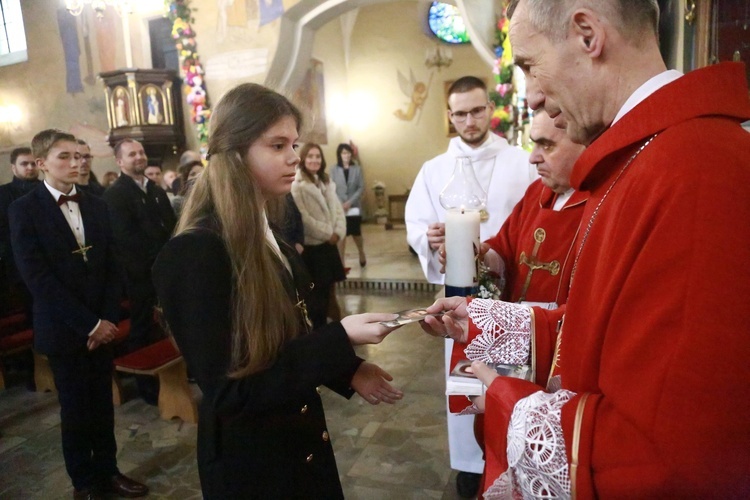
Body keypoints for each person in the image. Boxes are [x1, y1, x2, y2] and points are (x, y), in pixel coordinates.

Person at [422, 0, 750, 497]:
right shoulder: (646, 157)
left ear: (587, 35)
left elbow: (672, 457)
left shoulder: (697, 171)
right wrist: (488, 324)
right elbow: (605, 331)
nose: (533, 95)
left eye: (530, 65)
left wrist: (509, 401)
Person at [152, 82, 403, 499]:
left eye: (295, 144)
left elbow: (291, 338)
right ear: (235, 153)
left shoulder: (273, 237)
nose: (294, 158)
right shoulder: (195, 254)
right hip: (253, 464)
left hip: (297, 441)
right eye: (278, 145)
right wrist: (339, 337)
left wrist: (347, 368)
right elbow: (231, 392)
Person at [404, 75, 535, 496]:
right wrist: (432, 241)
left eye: (477, 110)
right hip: (463, 300)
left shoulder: (521, 160)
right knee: (465, 377)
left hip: (513, 294)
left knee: (513, 377)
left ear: (490, 109)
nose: (470, 120)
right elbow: (418, 228)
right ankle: (469, 464)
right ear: (450, 116)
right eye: (460, 113)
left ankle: (514, 455)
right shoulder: (434, 169)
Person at [9, 129, 148, 499]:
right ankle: (84, 482)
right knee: (74, 410)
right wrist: (88, 323)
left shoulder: (97, 203)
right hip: (63, 327)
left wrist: (106, 320)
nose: (77, 163)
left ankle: (110, 470)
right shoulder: (24, 209)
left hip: (101, 326)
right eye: (65, 157)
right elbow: (37, 278)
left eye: (79, 156)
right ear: (41, 164)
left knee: (103, 404)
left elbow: (110, 266)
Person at [103, 138, 176, 404]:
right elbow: (127, 241)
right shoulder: (115, 195)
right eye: (132, 154)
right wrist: (156, 265)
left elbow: (170, 227)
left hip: (165, 271)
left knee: (171, 324)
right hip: (139, 276)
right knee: (143, 329)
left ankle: (177, 371)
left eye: (142, 152)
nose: (139, 157)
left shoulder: (154, 189)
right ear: (120, 161)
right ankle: (146, 385)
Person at [291, 143, 347, 329]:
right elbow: (303, 218)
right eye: (310, 156)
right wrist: (327, 233)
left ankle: (331, 329)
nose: (314, 160)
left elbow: (338, 210)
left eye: (318, 156)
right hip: (313, 249)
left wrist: (338, 232)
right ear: (303, 159)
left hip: (328, 247)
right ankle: (319, 330)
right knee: (316, 297)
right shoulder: (297, 185)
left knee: (330, 293)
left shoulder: (326, 182)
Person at [0, 146, 40, 316]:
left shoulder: (48, 188)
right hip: (20, 262)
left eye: (33, 163)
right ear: (13, 167)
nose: (30, 168)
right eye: (24, 164)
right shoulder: (3, 194)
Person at [330, 143, 367, 268]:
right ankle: (341, 261)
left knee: (356, 233)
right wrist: (340, 203)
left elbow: (361, 187)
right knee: (341, 234)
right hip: (339, 208)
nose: (347, 155)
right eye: (344, 153)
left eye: (348, 153)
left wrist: (350, 202)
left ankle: (361, 253)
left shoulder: (357, 169)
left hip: (354, 206)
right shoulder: (333, 169)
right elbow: (331, 187)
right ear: (340, 155)